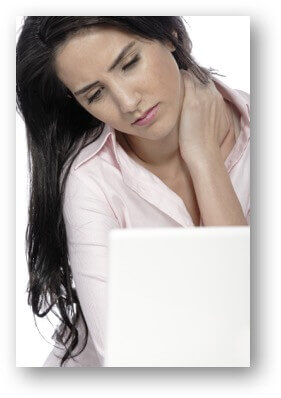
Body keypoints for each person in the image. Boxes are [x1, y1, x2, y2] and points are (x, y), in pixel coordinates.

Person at [16, 16, 250, 367]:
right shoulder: (90, 180)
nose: (127, 103)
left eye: (129, 63)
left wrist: (203, 159)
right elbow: (129, 362)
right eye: (95, 93)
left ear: (170, 35)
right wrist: (205, 156)